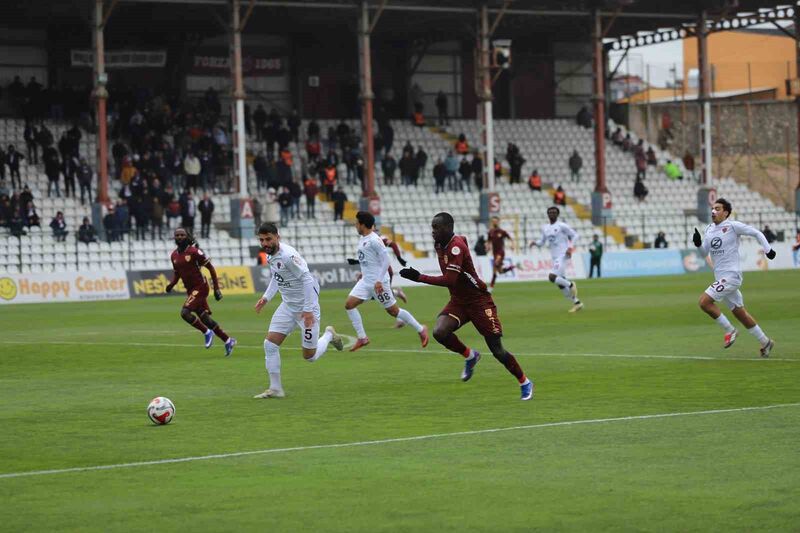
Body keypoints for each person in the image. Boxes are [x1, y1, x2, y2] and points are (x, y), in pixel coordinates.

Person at [399, 212, 534, 401]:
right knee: (440, 332)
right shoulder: (440, 244)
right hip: (459, 300)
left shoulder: (456, 247)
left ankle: (525, 382)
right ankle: (470, 356)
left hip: (478, 301)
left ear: (447, 228)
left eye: (436, 228)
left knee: (497, 350)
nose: (432, 232)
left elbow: (449, 279)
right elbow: (463, 241)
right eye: (432, 227)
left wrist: (419, 277)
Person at [253, 223, 344, 398]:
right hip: (288, 306)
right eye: (262, 240)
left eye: (268, 239)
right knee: (270, 344)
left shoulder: (288, 255)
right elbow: (276, 276)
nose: (265, 243)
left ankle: (329, 336)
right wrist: (266, 297)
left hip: (306, 309)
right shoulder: (271, 255)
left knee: (309, 356)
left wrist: (308, 310)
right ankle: (276, 388)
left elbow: (307, 279)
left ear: (277, 237)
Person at [692, 198, 775, 356]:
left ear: (726, 213)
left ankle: (730, 330)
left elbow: (756, 233)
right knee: (740, 313)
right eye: (713, 209)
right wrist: (698, 245)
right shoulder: (709, 229)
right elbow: (705, 253)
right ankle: (766, 342)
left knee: (704, 302)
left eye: (717, 209)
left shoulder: (732, 226)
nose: (713, 211)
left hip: (731, 276)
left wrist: (768, 250)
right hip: (721, 278)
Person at [344, 211, 429, 351]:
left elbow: (386, 261)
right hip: (366, 281)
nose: (355, 225)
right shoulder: (363, 239)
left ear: (363, 224)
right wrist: (360, 268)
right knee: (349, 305)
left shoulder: (374, 240)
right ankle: (362, 338)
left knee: (394, 312)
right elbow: (369, 259)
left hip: (379, 282)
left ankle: (421, 329)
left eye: (356, 223)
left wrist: (378, 281)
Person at [165, 227, 236, 356]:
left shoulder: (195, 252)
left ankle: (206, 332)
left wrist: (217, 289)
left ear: (187, 236)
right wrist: (171, 285)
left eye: (182, 235)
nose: (180, 237)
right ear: (174, 238)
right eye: (177, 235)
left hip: (201, 287)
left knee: (185, 313)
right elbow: (177, 273)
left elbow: (211, 268)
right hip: (190, 290)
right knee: (206, 319)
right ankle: (228, 340)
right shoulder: (174, 255)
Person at [529, 206, 583, 313]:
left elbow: (575, 235)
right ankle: (577, 303)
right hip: (554, 257)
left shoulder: (562, 226)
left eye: (554, 212)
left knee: (552, 277)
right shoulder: (545, 228)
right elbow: (542, 242)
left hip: (563, 254)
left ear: (557, 214)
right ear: (547, 214)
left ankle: (571, 284)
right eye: (550, 212)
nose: (552, 213)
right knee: (560, 284)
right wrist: (535, 243)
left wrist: (570, 247)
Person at [487, 217, 515, 291]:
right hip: (494, 253)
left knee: (495, 264)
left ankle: (491, 287)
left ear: (498, 222)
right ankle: (513, 267)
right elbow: (489, 241)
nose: (494, 223)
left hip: (500, 252)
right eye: (493, 221)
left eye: (496, 221)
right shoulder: (490, 232)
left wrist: (512, 245)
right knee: (500, 271)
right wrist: (488, 246)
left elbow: (510, 238)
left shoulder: (502, 231)